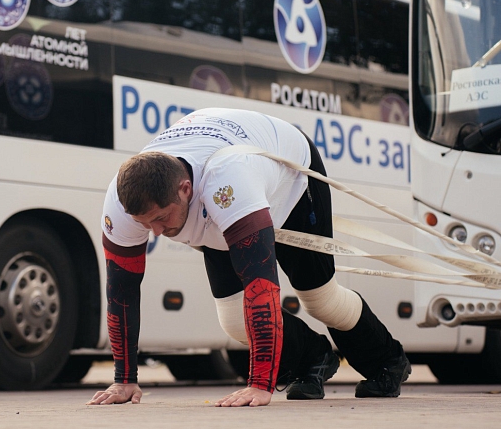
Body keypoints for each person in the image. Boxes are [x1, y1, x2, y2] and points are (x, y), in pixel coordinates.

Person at [87, 108, 411, 407]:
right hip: (221, 199)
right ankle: (314, 358)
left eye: (161, 219)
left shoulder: (226, 180)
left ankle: (388, 362)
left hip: (290, 180)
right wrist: (124, 380)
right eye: (145, 224)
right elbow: (121, 292)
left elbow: (262, 285)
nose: (156, 232)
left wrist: (259, 384)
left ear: (185, 189)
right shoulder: (121, 201)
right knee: (233, 319)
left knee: (320, 300)